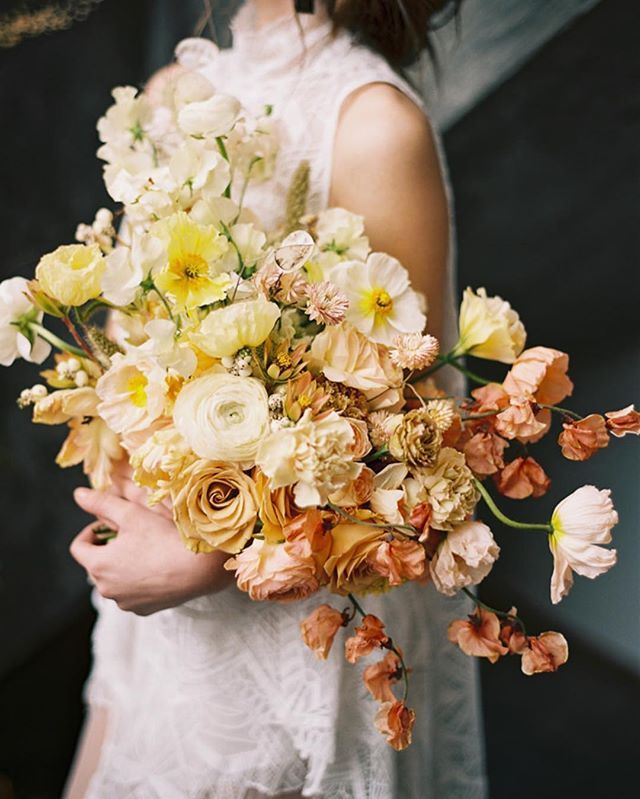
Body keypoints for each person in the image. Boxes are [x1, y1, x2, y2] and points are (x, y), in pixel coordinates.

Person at [65, 1, 487, 796]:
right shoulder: (168, 94)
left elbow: (412, 455)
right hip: (158, 621)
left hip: (292, 625)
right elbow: (131, 336)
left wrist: (208, 557)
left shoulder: (371, 124)